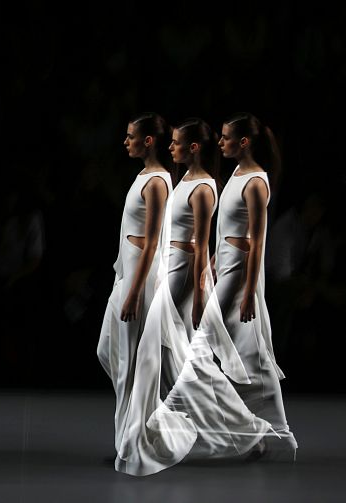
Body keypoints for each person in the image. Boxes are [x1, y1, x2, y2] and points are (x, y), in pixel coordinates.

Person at [115, 118, 272, 476]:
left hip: (183, 273)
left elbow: (201, 245)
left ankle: (136, 439)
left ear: (193, 148)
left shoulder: (204, 187)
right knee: (181, 362)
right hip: (169, 268)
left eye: (176, 143)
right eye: (168, 143)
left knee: (158, 356)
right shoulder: (181, 180)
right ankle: (246, 430)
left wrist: (200, 296)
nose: (171, 148)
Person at [214, 112, 298, 456]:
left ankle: (265, 435)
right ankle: (256, 435)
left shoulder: (257, 181)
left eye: (226, 137)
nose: (220, 142)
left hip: (241, 278)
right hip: (226, 271)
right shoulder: (235, 174)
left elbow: (257, 240)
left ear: (244, 142)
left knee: (242, 356)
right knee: (234, 357)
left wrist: (249, 292)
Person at [97, 113, 173, 454]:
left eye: (131, 136)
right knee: (107, 350)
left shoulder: (157, 181)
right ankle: (144, 424)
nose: (125, 141)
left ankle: (129, 444)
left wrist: (135, 292)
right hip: (125, 275)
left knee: (129, 362)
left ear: (148, 141)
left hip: (138, 282)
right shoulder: (145, 176)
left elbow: (153, 241)